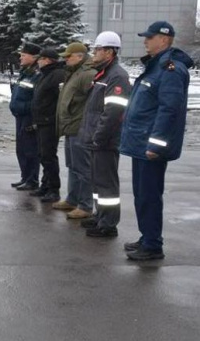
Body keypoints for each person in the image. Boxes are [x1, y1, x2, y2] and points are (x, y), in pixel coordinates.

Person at [120, 21, 193, 261]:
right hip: (140, 143)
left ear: (164, 40)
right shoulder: (155, 67)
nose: (145, 41)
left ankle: (152, 245)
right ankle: (146, 238)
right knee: (142, 194)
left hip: (150, 147)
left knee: (150, 195)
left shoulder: (170, 69)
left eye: (149, 37)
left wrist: (155, 145)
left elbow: (169, 110)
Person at [76, 32, 132, 238]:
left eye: (98, 49)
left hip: (105, 141)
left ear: (109, 52)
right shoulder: (103, 74)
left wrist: (98, 137)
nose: (94, 53)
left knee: (107, 183)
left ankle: (108, 224)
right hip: (95, 139)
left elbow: (112, 113)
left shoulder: (117, 76)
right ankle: (100, 215)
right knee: (98, 182)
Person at [52, 42, 97, 219]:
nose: (65, 59)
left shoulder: (87, 74)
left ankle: (85, 205)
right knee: (72, 166)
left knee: (83, 168)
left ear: (79, 56)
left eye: (68, 56)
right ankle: (72, 199)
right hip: (71, 127)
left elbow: (94, 102)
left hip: (81, 127)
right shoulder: (74, 73)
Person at [30, 48, 66, 203]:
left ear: (48, 60)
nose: (38, 61)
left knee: (49, 156)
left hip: (49, 122)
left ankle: (54, 189)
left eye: (41, 58)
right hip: (41, 121)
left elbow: (60, 99)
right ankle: (45, 185)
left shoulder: (57, 75)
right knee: (42, 155)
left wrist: (51, 116)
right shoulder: (45, 75)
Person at [9, 43, 42, 191]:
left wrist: (22, 107)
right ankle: (25, 177)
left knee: (30, 150)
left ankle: (32, 180)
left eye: (24, 55)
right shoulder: (24, 72)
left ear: (34, 57)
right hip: (20, 116)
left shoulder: (37, 75)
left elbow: (38, 100)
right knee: (21, 149)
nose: (20, 57)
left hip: (29, 117)